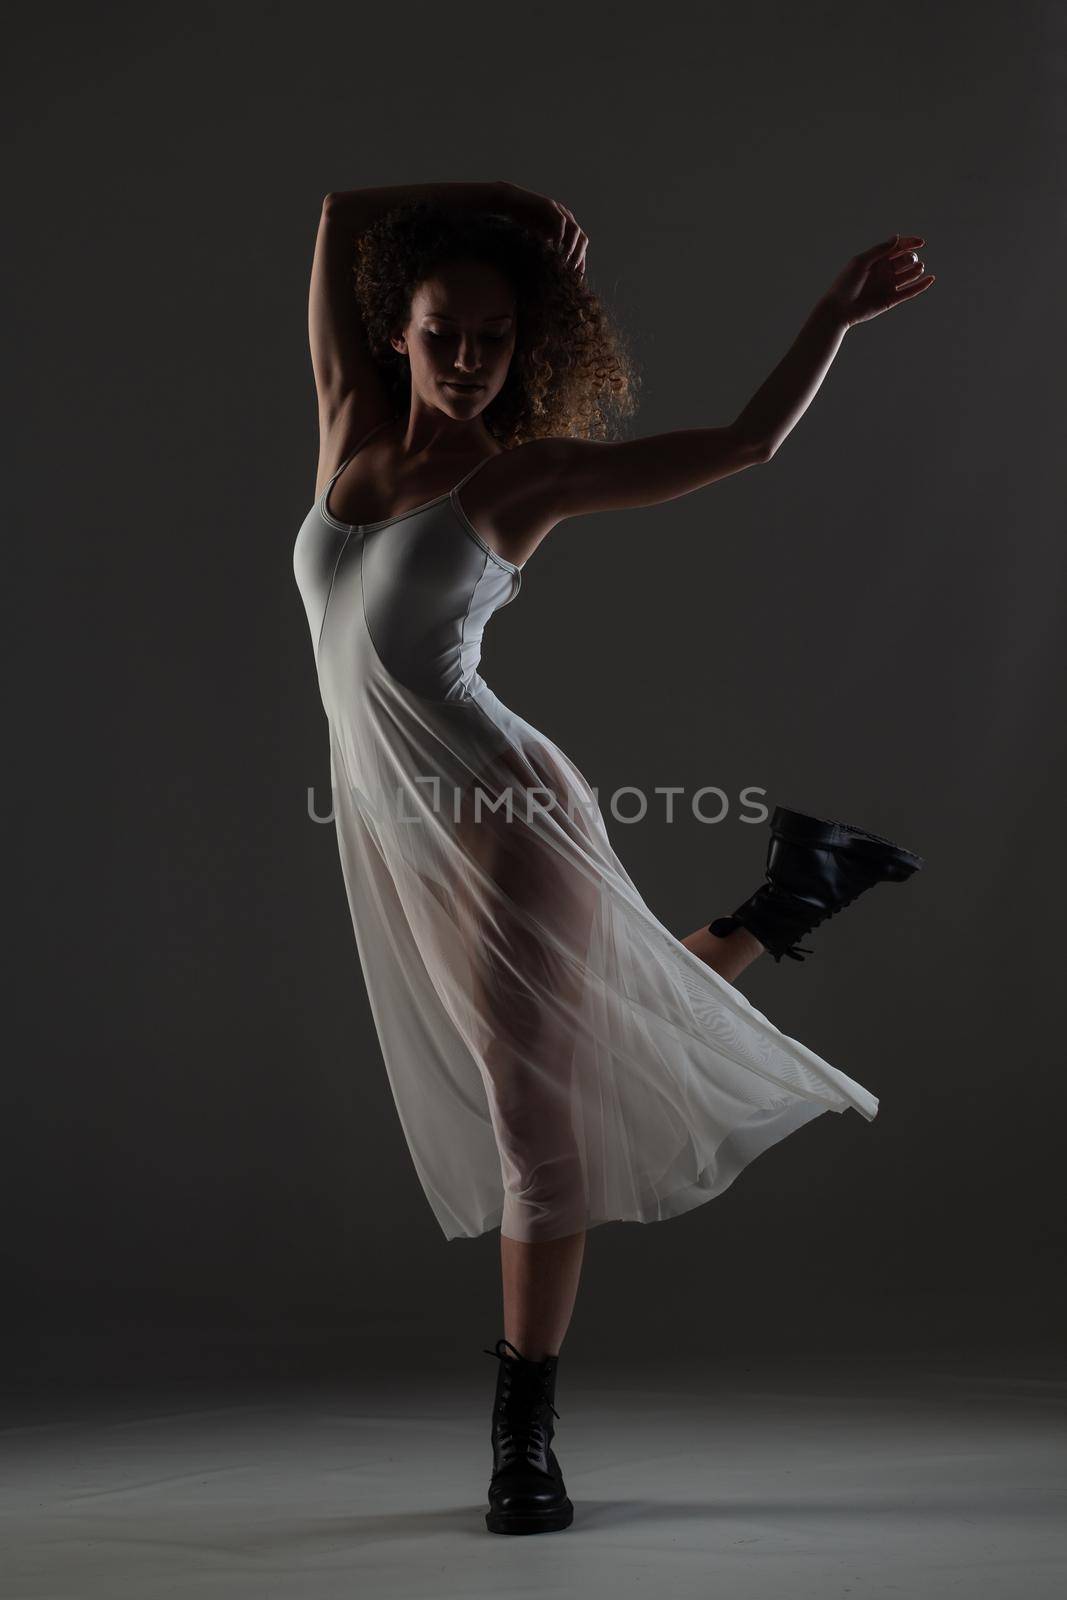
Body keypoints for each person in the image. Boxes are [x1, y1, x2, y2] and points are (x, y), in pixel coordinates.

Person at [293, 179, 934, 1535]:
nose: (470, 357)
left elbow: (752, 445)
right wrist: (511, 207)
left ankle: (524, 1432)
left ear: (529, 351)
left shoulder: (518, 478)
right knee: (586, 1048)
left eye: (497, 338)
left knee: (540, 1126)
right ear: (395, 332)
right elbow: (346, 208)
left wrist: (832, 314)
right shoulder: (347, 431)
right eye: (444, 330)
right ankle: (795, 889)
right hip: (398, 828)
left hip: (503, 812)